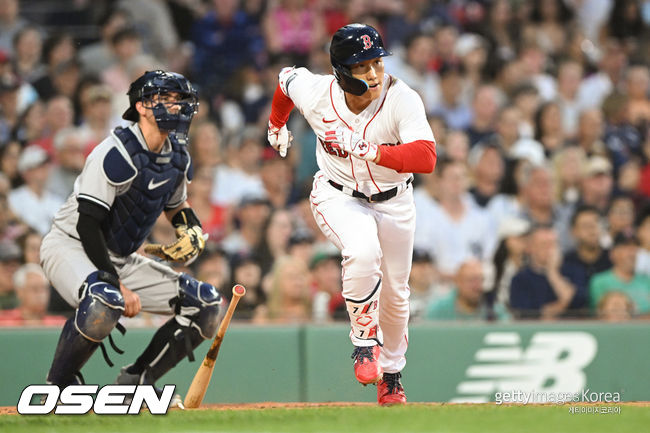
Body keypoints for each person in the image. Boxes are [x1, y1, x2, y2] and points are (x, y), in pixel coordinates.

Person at [266, 23, 437, 406]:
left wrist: (373, 151)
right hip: (337, 194)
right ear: (341, 71)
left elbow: (426, 157)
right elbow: (285, 80)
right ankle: (363, 343)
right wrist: (276, 124)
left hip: (394, 200)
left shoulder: (400, 98)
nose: (374, 73)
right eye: (362, 66)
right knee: (362, 251)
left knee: (396, 295)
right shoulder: (318, 94)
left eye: (376, 62)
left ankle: (391, 375)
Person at [39, 70, 223, 406]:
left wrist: (191, 227)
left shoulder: (177, 155)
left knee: (207, 305)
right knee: (105, 300)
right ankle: (60, 384)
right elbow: (88, 224)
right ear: (141, 105)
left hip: (119, 257)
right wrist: (117, 283)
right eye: (165, 99)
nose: (176, 106)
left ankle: (138, 379)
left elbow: (176, 204)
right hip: (71, 245)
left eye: (179, 100)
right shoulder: (115, 152)